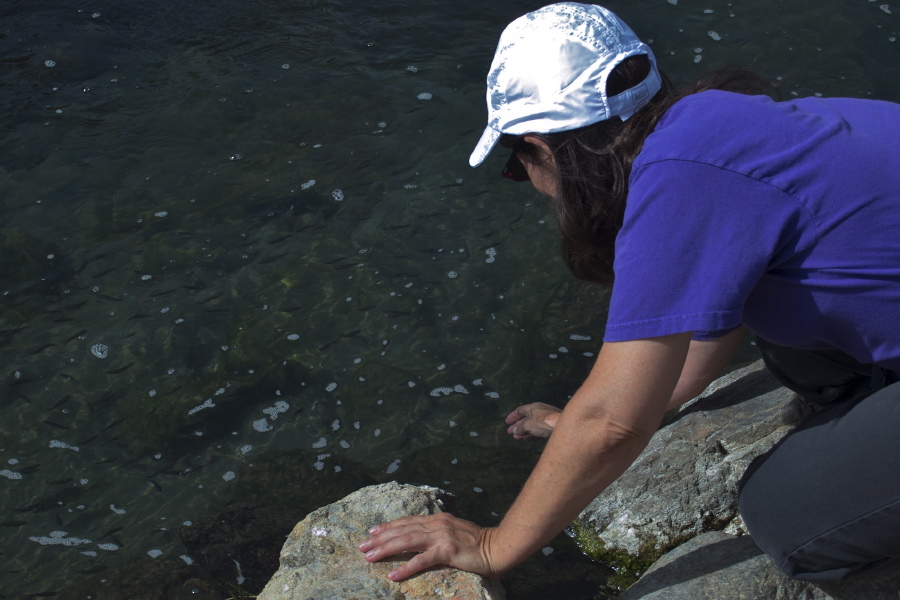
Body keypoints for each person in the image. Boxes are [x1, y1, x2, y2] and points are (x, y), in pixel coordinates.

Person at [358, 2, 900, 584]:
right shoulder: (716, 122)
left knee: (786, 510)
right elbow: (702, 331)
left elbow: (615, 424)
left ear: (545, 147)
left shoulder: (677, 180)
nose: (532, 187)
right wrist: (574, 421)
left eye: (517, 166)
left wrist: (495, 545)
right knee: (791, 340)